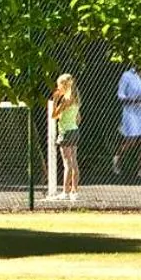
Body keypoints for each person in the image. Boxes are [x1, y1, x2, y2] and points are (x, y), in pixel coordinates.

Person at [114, 64, 141, 178]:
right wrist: (132, 100)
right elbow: (120, 95)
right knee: (131, 140)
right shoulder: (127, 75)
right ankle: (117, 158)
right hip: (130, 111)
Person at [50, 73, 81, 201]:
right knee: (74, 162)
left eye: (59, 86)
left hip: (66, 132)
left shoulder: (65, 100)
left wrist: (55, 100)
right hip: (74, 130)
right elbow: (79, 118)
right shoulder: (76, 99)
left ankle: (65, 192)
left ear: (63, 86)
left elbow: (53, 115)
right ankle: (74, 190)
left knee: (67, 163)